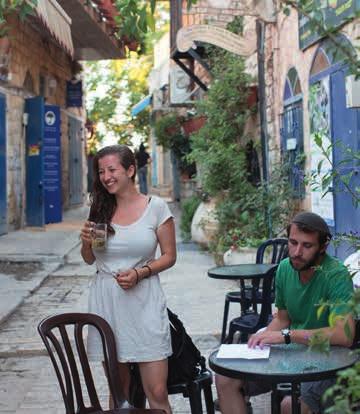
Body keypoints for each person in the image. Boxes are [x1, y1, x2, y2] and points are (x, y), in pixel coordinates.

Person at [216, 211, 355, 414]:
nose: (297, 252)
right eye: (293, 242)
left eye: (307, 246)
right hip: (292, 355)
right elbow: (283, 318)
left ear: (323, 247)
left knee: (290, 407)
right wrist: (261, 339)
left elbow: (345, 335)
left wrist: (287, 336)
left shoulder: (336, 275)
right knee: (225, 378)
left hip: (330, 360)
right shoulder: (284, 269)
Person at [80, 144, 176, 414]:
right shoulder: (99, 209)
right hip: (106, 301)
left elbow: (169, 256)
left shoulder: (155, 207)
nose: (106, 176)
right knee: (119, 392)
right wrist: (86, 243)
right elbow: (91, 258)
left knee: (156, 390)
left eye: (112, 169)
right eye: (101, 171)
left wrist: (139, 273)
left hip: (144, 300)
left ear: (130, 170)